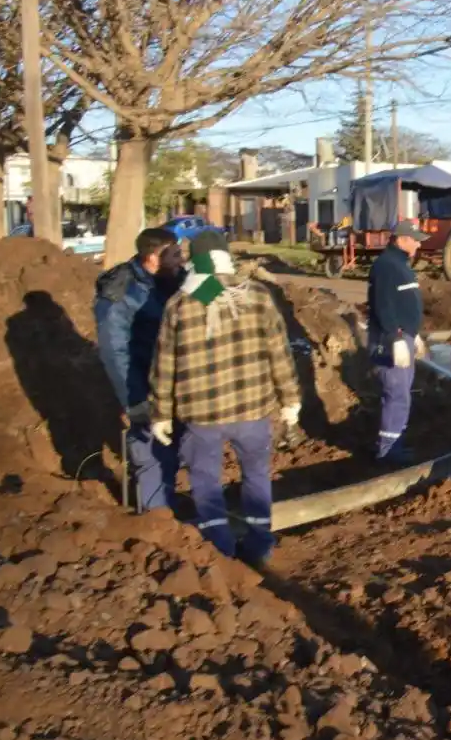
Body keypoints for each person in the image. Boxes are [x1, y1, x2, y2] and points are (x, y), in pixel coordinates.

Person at [148, 230, 301, 566]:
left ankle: (222, 550)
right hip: (252, 412)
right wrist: (291, 400)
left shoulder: (179, 304)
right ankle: (260, 545)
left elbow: (165, 364)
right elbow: (279, 352)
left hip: (202, 417)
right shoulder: (257, 296)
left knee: (206, 482)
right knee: (257, 476)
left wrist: (160, 413)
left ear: (195, 262)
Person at [94, 227, 186, 512]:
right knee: (151, 451)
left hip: (181, 383)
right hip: (145, 384)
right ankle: (156, 514)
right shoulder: (120, 292)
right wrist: (133, 400)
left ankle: (171, 502)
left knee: (178, 446)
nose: (180, 258)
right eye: (173, 254)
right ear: (151, 257)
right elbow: (115, 351)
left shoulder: (179, 278)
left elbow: (217, 298)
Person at [367, 219, 429, 465]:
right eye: (414, 239)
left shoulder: (400, 265)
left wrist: (416, 335)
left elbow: (404, 305)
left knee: (401, 394)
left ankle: (394, 444)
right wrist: (396, 338)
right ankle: (387, 451)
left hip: (404, 337)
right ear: (401, 239)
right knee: (396, 394)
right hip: (391, 341)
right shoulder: (386, 266)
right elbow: (383, 306)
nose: (418, 244)